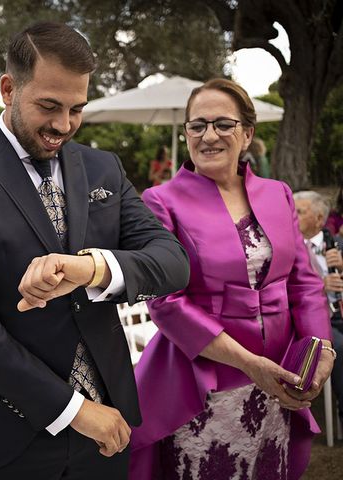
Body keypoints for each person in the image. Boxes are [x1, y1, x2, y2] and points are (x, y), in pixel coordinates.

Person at [0, 22, 189, 480]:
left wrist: (91, 268)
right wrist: (77, 411)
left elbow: (173, 263)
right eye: (49, 106)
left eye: (76, 109)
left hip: (110, 432)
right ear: (8, 89)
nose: (63, 125)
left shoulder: (103, 167)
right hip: (9, 437)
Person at [129, 78, 334, 480]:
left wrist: (319, 347)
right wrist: (249, 363)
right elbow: (165, 302)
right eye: (197, 125)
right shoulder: (160, 201)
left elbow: (304, 282)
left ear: (247, 133)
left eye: (223, 124)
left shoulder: (279, 194)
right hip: (203, 384)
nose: (209, 135)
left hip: (279, 379)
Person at [294, 190, 343, 426]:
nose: (293, 217)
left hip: (341, 311)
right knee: (340, 348)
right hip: (317, 322)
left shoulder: (338, 244)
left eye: (300, 212)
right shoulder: (287, 249)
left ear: (320, 219)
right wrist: (320, 287)